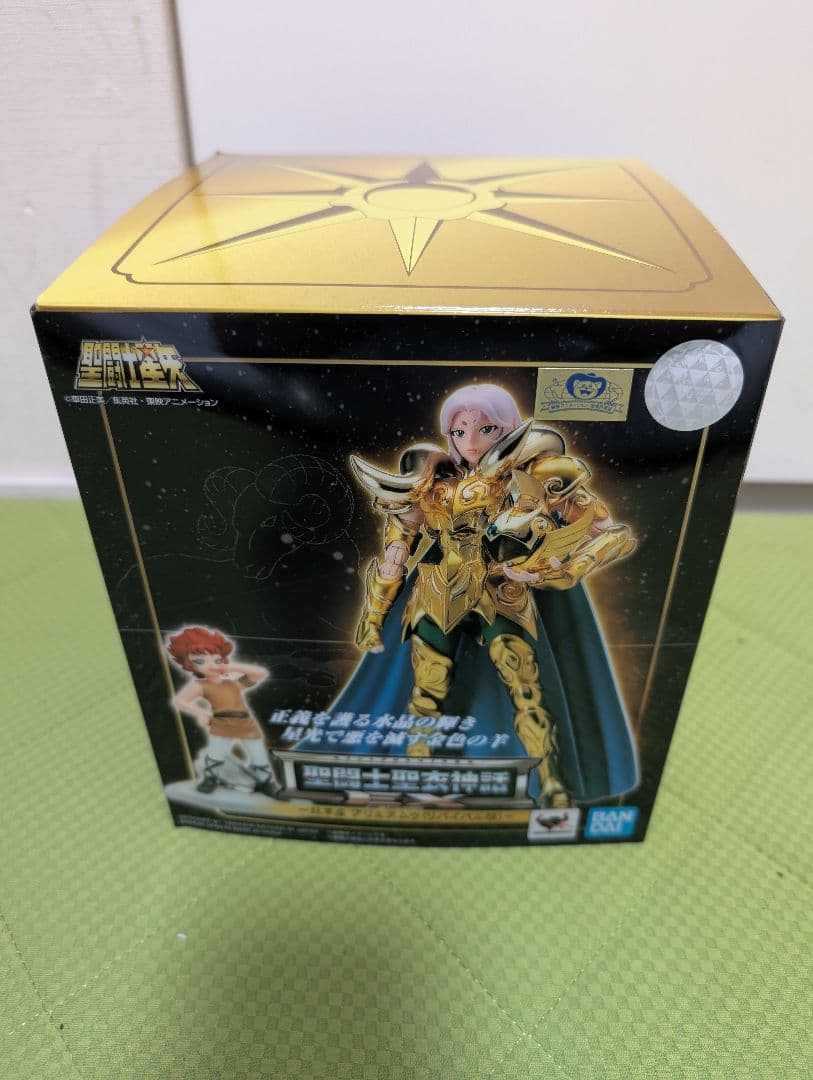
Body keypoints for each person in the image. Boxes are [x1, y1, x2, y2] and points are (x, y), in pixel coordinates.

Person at [345, 383, 638, 807]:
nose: (471, 441)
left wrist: (570, 568)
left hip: (504, 588)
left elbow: (612, 533)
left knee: (525, 687)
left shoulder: (539, 475)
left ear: (508, 428)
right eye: (459, 431)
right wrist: (392, 559)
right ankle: (418, 772)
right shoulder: (434, 478)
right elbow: (403, 525)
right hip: (439, 588)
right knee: (427, 688)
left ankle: (550, 781)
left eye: (485, 429)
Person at [166, 626, 280, 797]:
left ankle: (266, 782)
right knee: (216, 754)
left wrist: (232, 666)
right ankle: (210, 779)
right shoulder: (200, 685)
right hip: (221, 723)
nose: (211, 665)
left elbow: (260, 674)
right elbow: (180, 701)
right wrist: (200, 713)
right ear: (189, 665)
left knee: (258, 755)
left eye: (216, 659)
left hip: (245, 723)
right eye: (200, 661)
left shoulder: (234, 684)